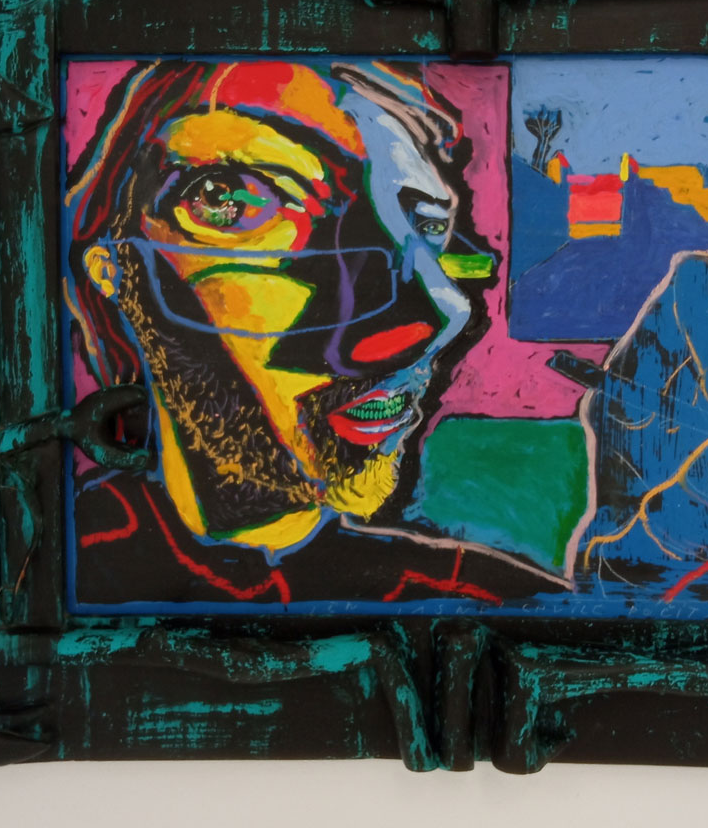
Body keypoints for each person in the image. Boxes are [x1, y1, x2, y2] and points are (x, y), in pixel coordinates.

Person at [65, 59, 565, 607]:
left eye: (427, 227)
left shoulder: (477, 602)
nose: (432, 319)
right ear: (116, 269)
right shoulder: (38, 564)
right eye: (233, 201)